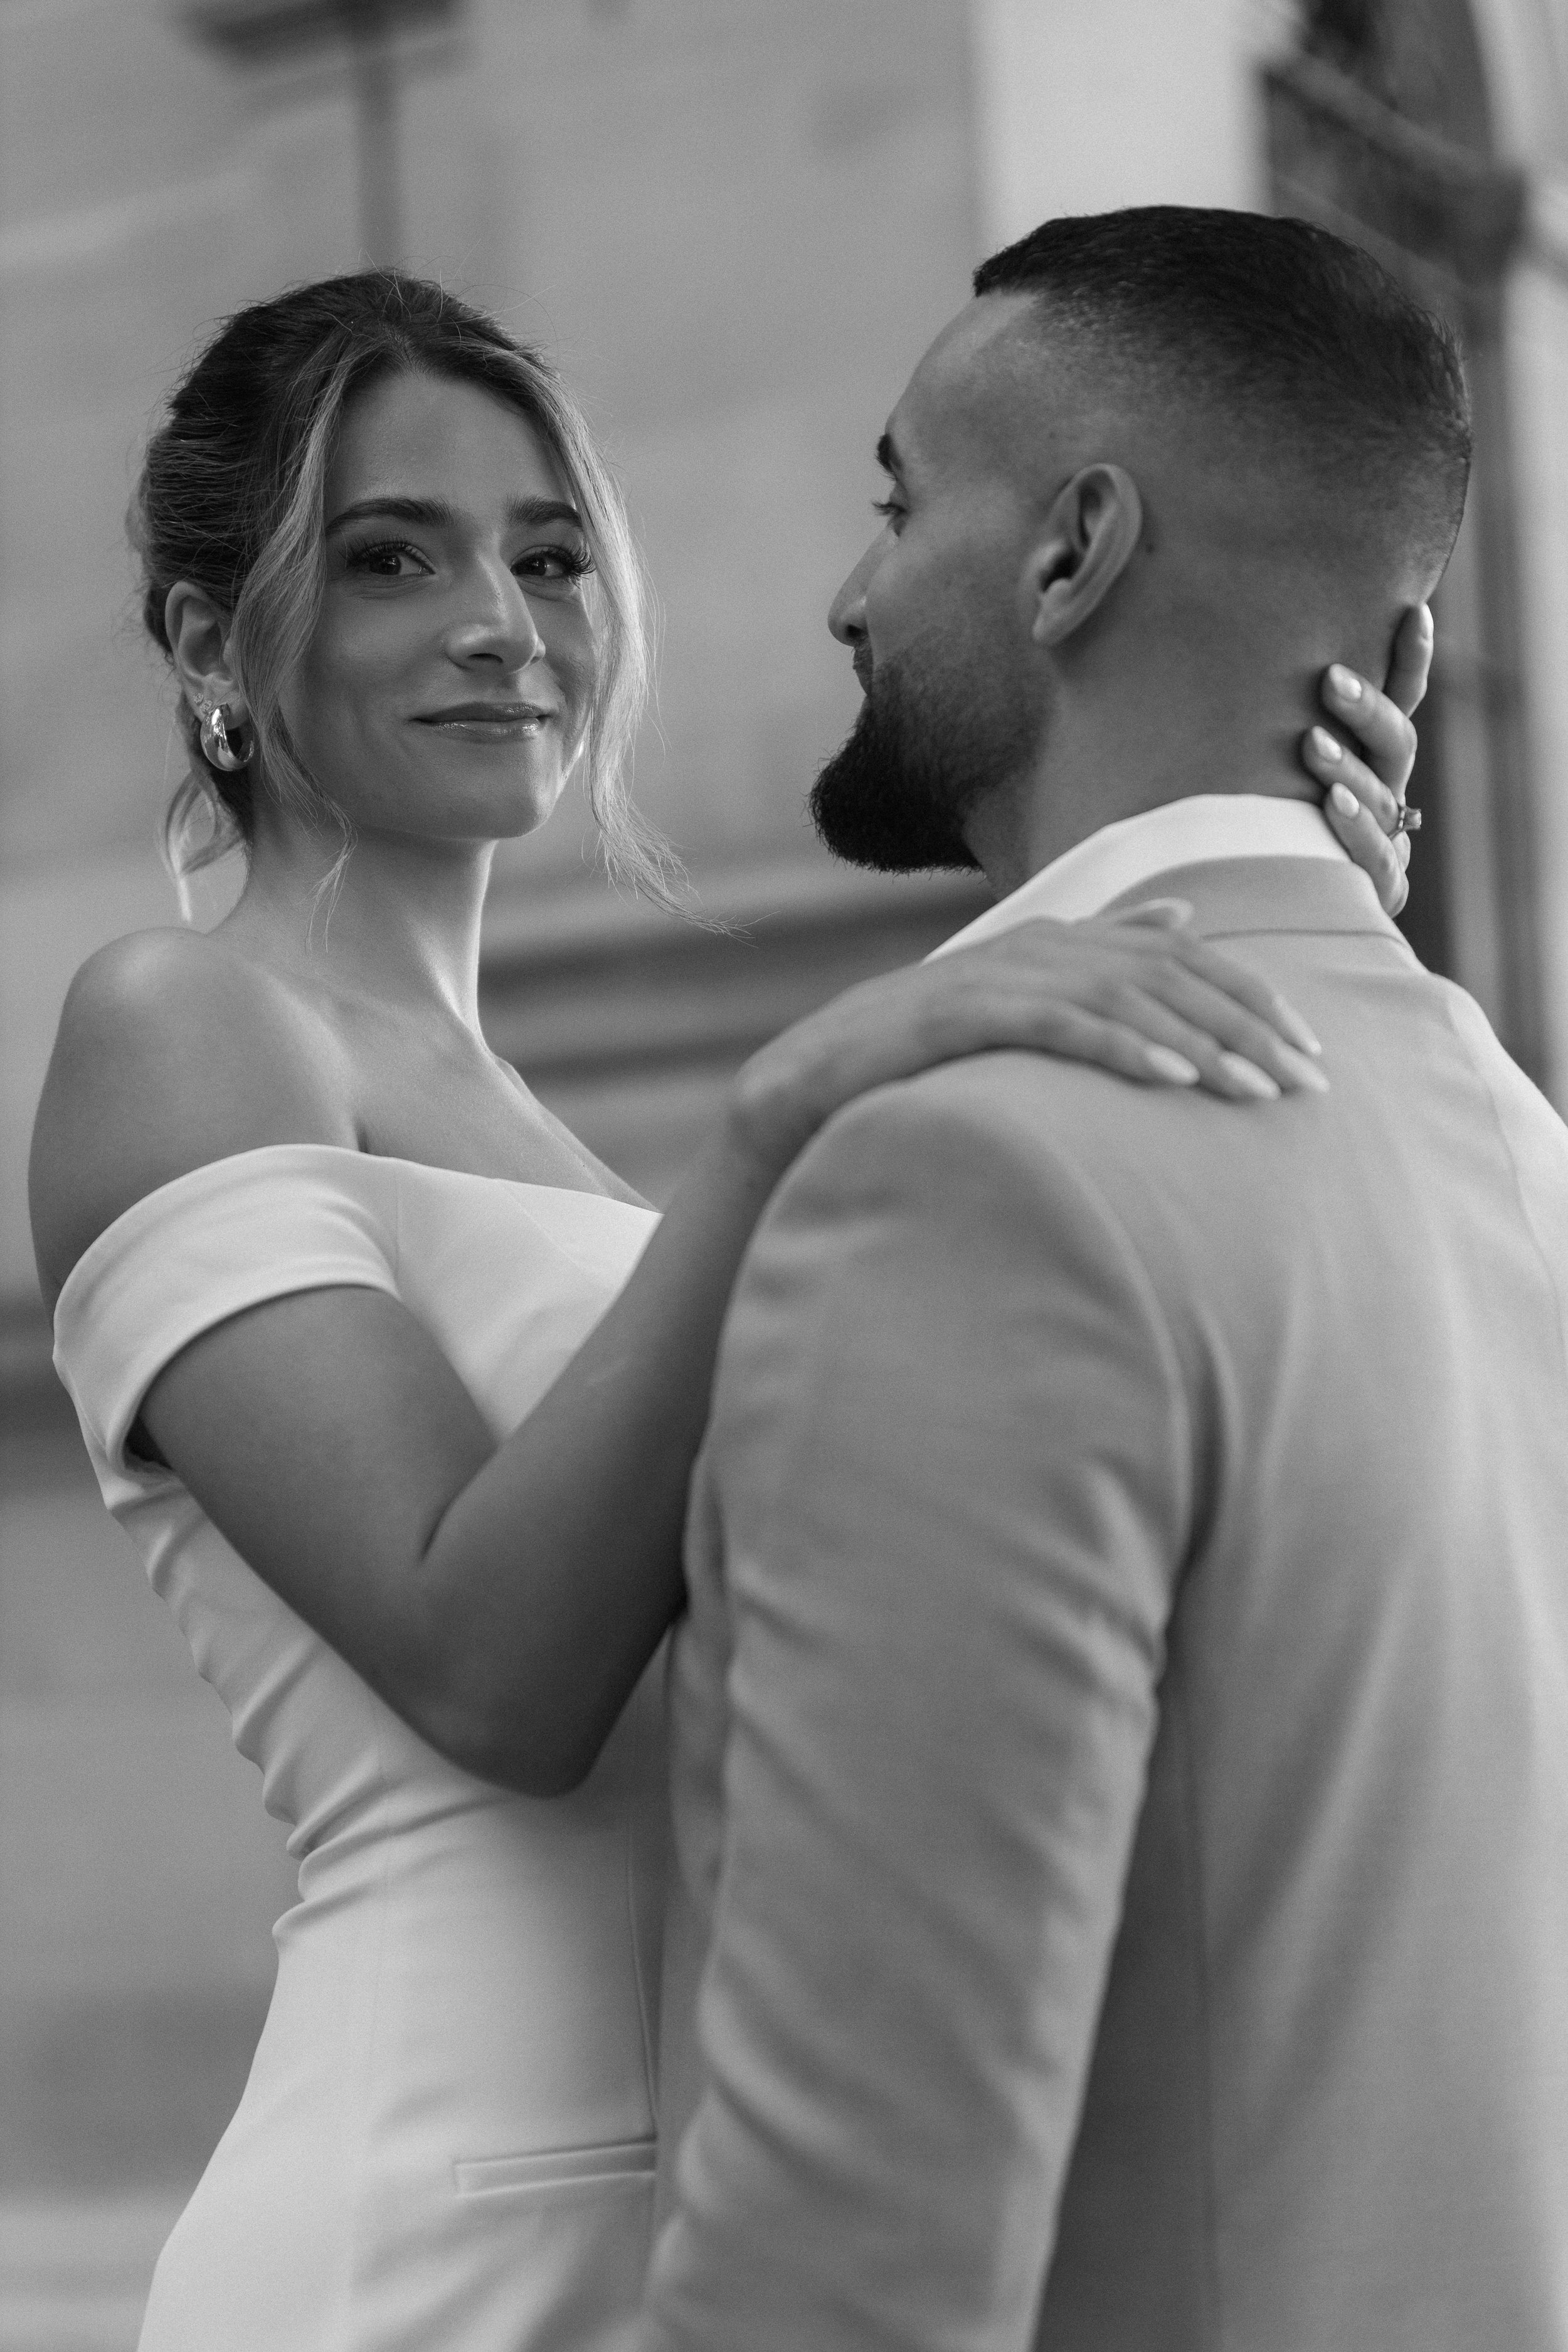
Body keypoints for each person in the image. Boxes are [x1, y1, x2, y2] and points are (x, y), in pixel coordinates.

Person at [28, 273, 1416, 2352]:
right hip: (436, 2223)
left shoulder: (548, 1136)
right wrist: (789, 1114)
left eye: (550, 553)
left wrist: (1294, 930)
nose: (502, 618)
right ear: (216, 644)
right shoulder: (178, 1021)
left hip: (706, 2194)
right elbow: (491, 1669)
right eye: (394, 557)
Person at [641, 206, 1568, 2352]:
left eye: (897, 502)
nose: (851, 593)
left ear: (1071, 550)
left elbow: (853, 2273)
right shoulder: (1525, 1158)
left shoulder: (974, 1174)